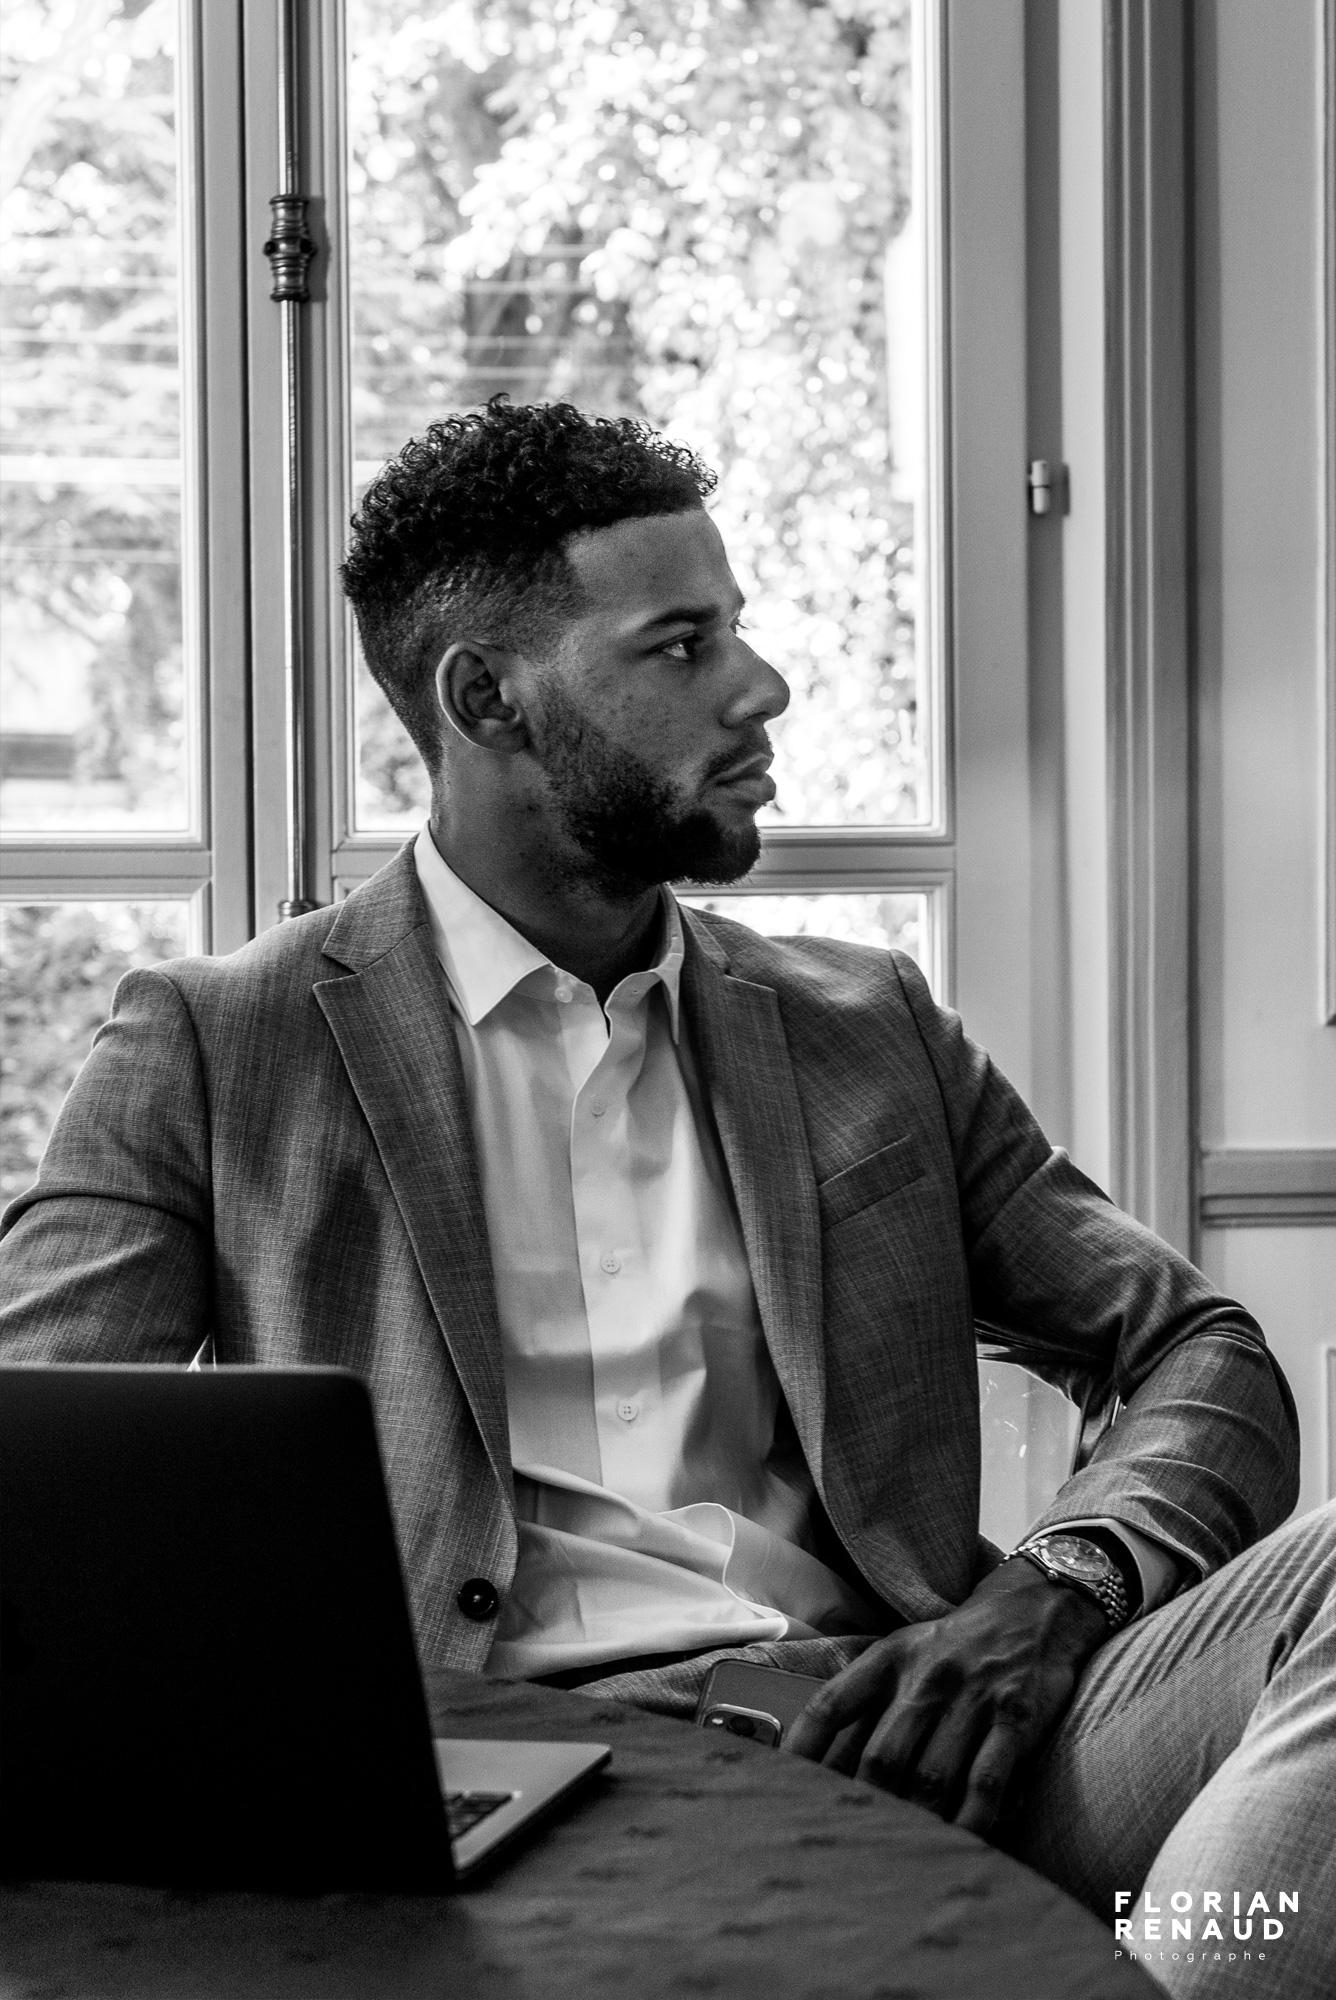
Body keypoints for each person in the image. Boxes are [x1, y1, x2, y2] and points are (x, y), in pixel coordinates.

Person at [1, 400, 1332, 1996]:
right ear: (486, 699)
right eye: (683, 646)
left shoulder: (866, 1025)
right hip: (510, 1790)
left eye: (736, 632)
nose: (762, 688)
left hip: (913, 1738)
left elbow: (1200, 1350)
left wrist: (1053, 1597)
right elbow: (33, 1492)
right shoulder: (220, 1046)